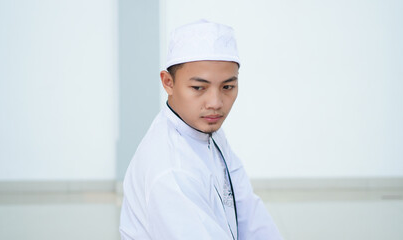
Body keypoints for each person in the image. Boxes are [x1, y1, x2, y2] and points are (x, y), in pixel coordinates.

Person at [119, 19, 282, 240]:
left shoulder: (206, 133)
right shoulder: (170, 170)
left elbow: (246, 209)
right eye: (199, 87)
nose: (215, 102)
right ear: (168, 82)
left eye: (227, 87)